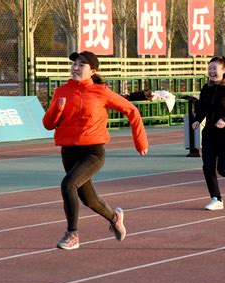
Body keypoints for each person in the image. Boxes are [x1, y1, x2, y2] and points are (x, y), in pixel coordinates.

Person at [43, 51, 149, 250]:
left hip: (93, 152)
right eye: (74, 63)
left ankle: (72, 235)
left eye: (81, 65)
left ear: (92, 71)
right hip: (69, 151)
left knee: (68, 185)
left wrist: (140, 142)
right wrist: (57, 108)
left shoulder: (101, 92)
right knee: (88, 199)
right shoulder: (61, 91)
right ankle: (114, 217)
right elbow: (48, 124)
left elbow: (131, 110)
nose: (75, 67)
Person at [192, 56, 225, 211]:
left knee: (223, 168)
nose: (211, 71)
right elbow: (202, 108)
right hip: (209, 132)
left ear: (224, 70)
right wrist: (197, 120)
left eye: (215, 68)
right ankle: (216, 198)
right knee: (208, 167)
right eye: (210, 68)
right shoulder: (206, 88)